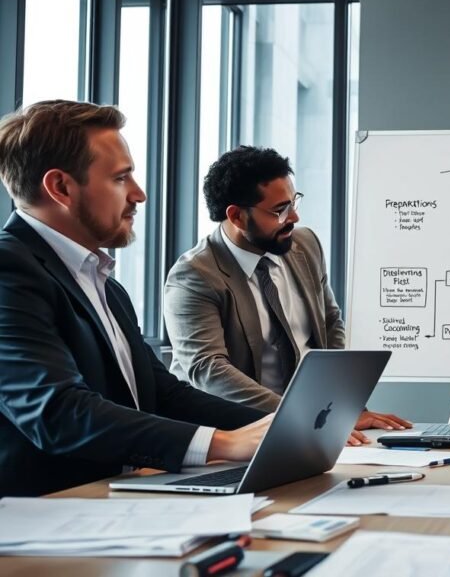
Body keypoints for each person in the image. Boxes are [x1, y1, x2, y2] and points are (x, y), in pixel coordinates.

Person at [0, 101, 272, 497]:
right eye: (121, 178)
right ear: (60, 187)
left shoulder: (104, 284)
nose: (139, 194)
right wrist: (224, 444)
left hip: (118, 503)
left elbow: (163, 395)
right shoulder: (9, 270)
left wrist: (287, 426)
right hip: (49, 520)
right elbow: (56, 412)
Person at [164, 146, 410, 445]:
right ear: (237, 216)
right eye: (279, 210)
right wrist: (302, 415)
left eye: (293, 202)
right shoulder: (195, 275)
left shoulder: (304, 245)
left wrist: (339, 408)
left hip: (311, 426)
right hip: (232, 434)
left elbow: (330, 322)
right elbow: (208, 369)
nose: (293, 216)